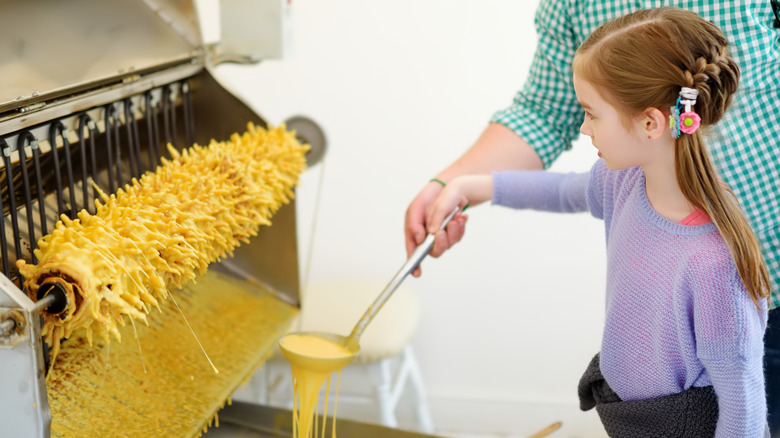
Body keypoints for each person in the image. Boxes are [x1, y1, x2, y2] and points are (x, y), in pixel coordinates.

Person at [405, 0, 780, 434]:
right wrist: (469, 185)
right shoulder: (622, 185)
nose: (584, 128)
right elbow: (565, 189)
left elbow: (743, 412)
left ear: (652, 124)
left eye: (591, 113)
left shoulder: (715, 267)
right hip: (629, 417)